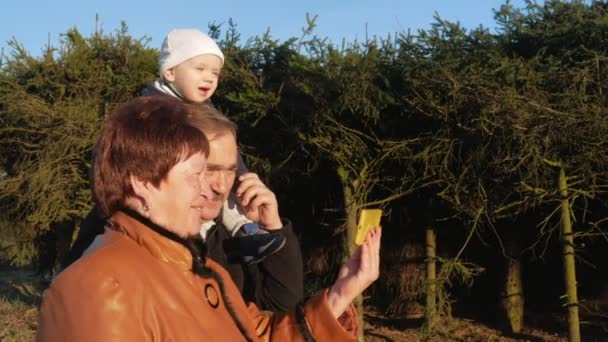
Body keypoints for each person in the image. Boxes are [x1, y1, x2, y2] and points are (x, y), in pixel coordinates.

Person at [36, 97, 381, 341]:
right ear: (142, 182)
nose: (213, 190)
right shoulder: (99, 288)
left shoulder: (200, 270)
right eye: (196, 175)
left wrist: (340, 293)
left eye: (223, 171)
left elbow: (259, 334)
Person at [64, 28, 284, 270]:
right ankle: (72, 273)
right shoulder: (146, 112)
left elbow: (229, 159)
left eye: (215, 72)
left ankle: (246, 233)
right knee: (97, 243)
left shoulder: (209, 113)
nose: (209, 78)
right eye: (200, 69)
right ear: (170, 71)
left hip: (194, 195)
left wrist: (240, 178)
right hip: (145, 197)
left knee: (223, 190)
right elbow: (111, 153)